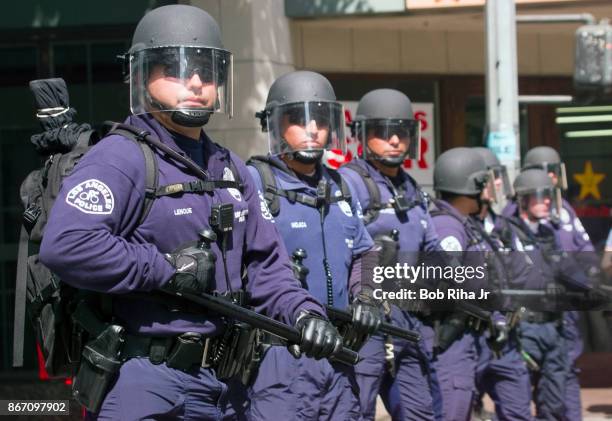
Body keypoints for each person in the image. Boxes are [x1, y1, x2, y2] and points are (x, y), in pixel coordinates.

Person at [39, 6, 343, 420]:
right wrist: (165, 268)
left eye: (208, 70)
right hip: (146, 379)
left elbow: (268, 264)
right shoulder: (122, 157)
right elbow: (67, 246)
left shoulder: (231, 168)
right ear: (143, 76)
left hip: (226, 386)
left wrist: (304, 311)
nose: (197, 82)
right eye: (176, 69)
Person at [225, 70, 379, 420]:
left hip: (338, 354)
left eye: (321, 121)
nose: (312, 129)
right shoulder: (254, 181)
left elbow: (363, 252)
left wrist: (366, 294)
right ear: (277, 126)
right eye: (299, 120)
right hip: (279, 356)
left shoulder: (342, 186)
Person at [339, 88, 440, 420]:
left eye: (402, 132)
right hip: (366, 319)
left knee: (421, 411)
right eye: (384, 132)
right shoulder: (350, 182)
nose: (395, 140)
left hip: (408, 316)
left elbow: (434, 250)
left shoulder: (412, 189)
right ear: (364, 135)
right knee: (358, 410)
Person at [503, 168, 591, 421]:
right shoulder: (506, 233)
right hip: (523, 330)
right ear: (522, 200)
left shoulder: (548, 232)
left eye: (548, 196)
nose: (545, 202)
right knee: (516, 403)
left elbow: (569, 270)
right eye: (538, 196)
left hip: (553, 327)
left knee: (553, 402)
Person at [522, 146, 596, 420]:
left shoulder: (564, 209)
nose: (550, 179)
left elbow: (584, 252)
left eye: (553, 172)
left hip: (567, 308)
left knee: (566, 372)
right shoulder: (518, 211)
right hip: (535, 314)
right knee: (533, 380)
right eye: (544, 173)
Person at [428, 147, 495, 421]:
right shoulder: (448, 227)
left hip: (463, 340)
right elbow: (448, 284)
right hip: (451, 343)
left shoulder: (461, 223)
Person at [471, 147, 534, 421]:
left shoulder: (506, 228)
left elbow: (525, 274)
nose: (499, 184)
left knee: (518, 409)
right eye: (492, 178)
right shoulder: (452, 225)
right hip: (468, 339)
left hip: (505, 341)